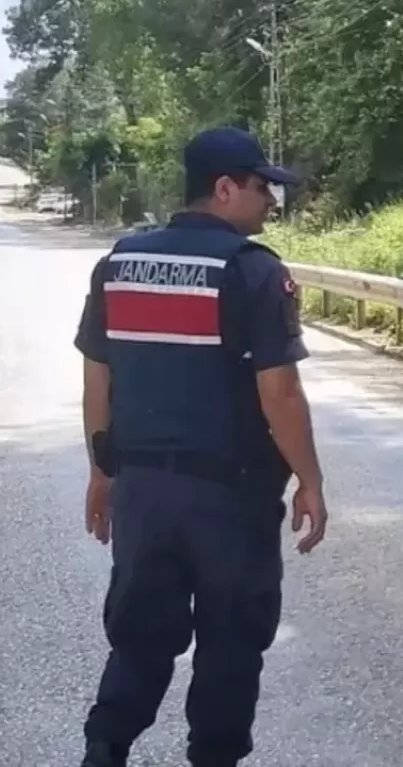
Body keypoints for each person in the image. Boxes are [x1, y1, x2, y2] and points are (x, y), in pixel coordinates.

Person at [74, 127, 329, 767]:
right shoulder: (253, 271)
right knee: (231, 641)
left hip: (142, 494)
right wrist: (310, 480)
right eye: (262, 187)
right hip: (230, 499)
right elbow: (281, 393)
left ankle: (105, 748)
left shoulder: (119, 264)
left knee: (139, 635)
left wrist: (103, 471)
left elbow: (97, 381)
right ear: (223, 189)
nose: (271, 200)